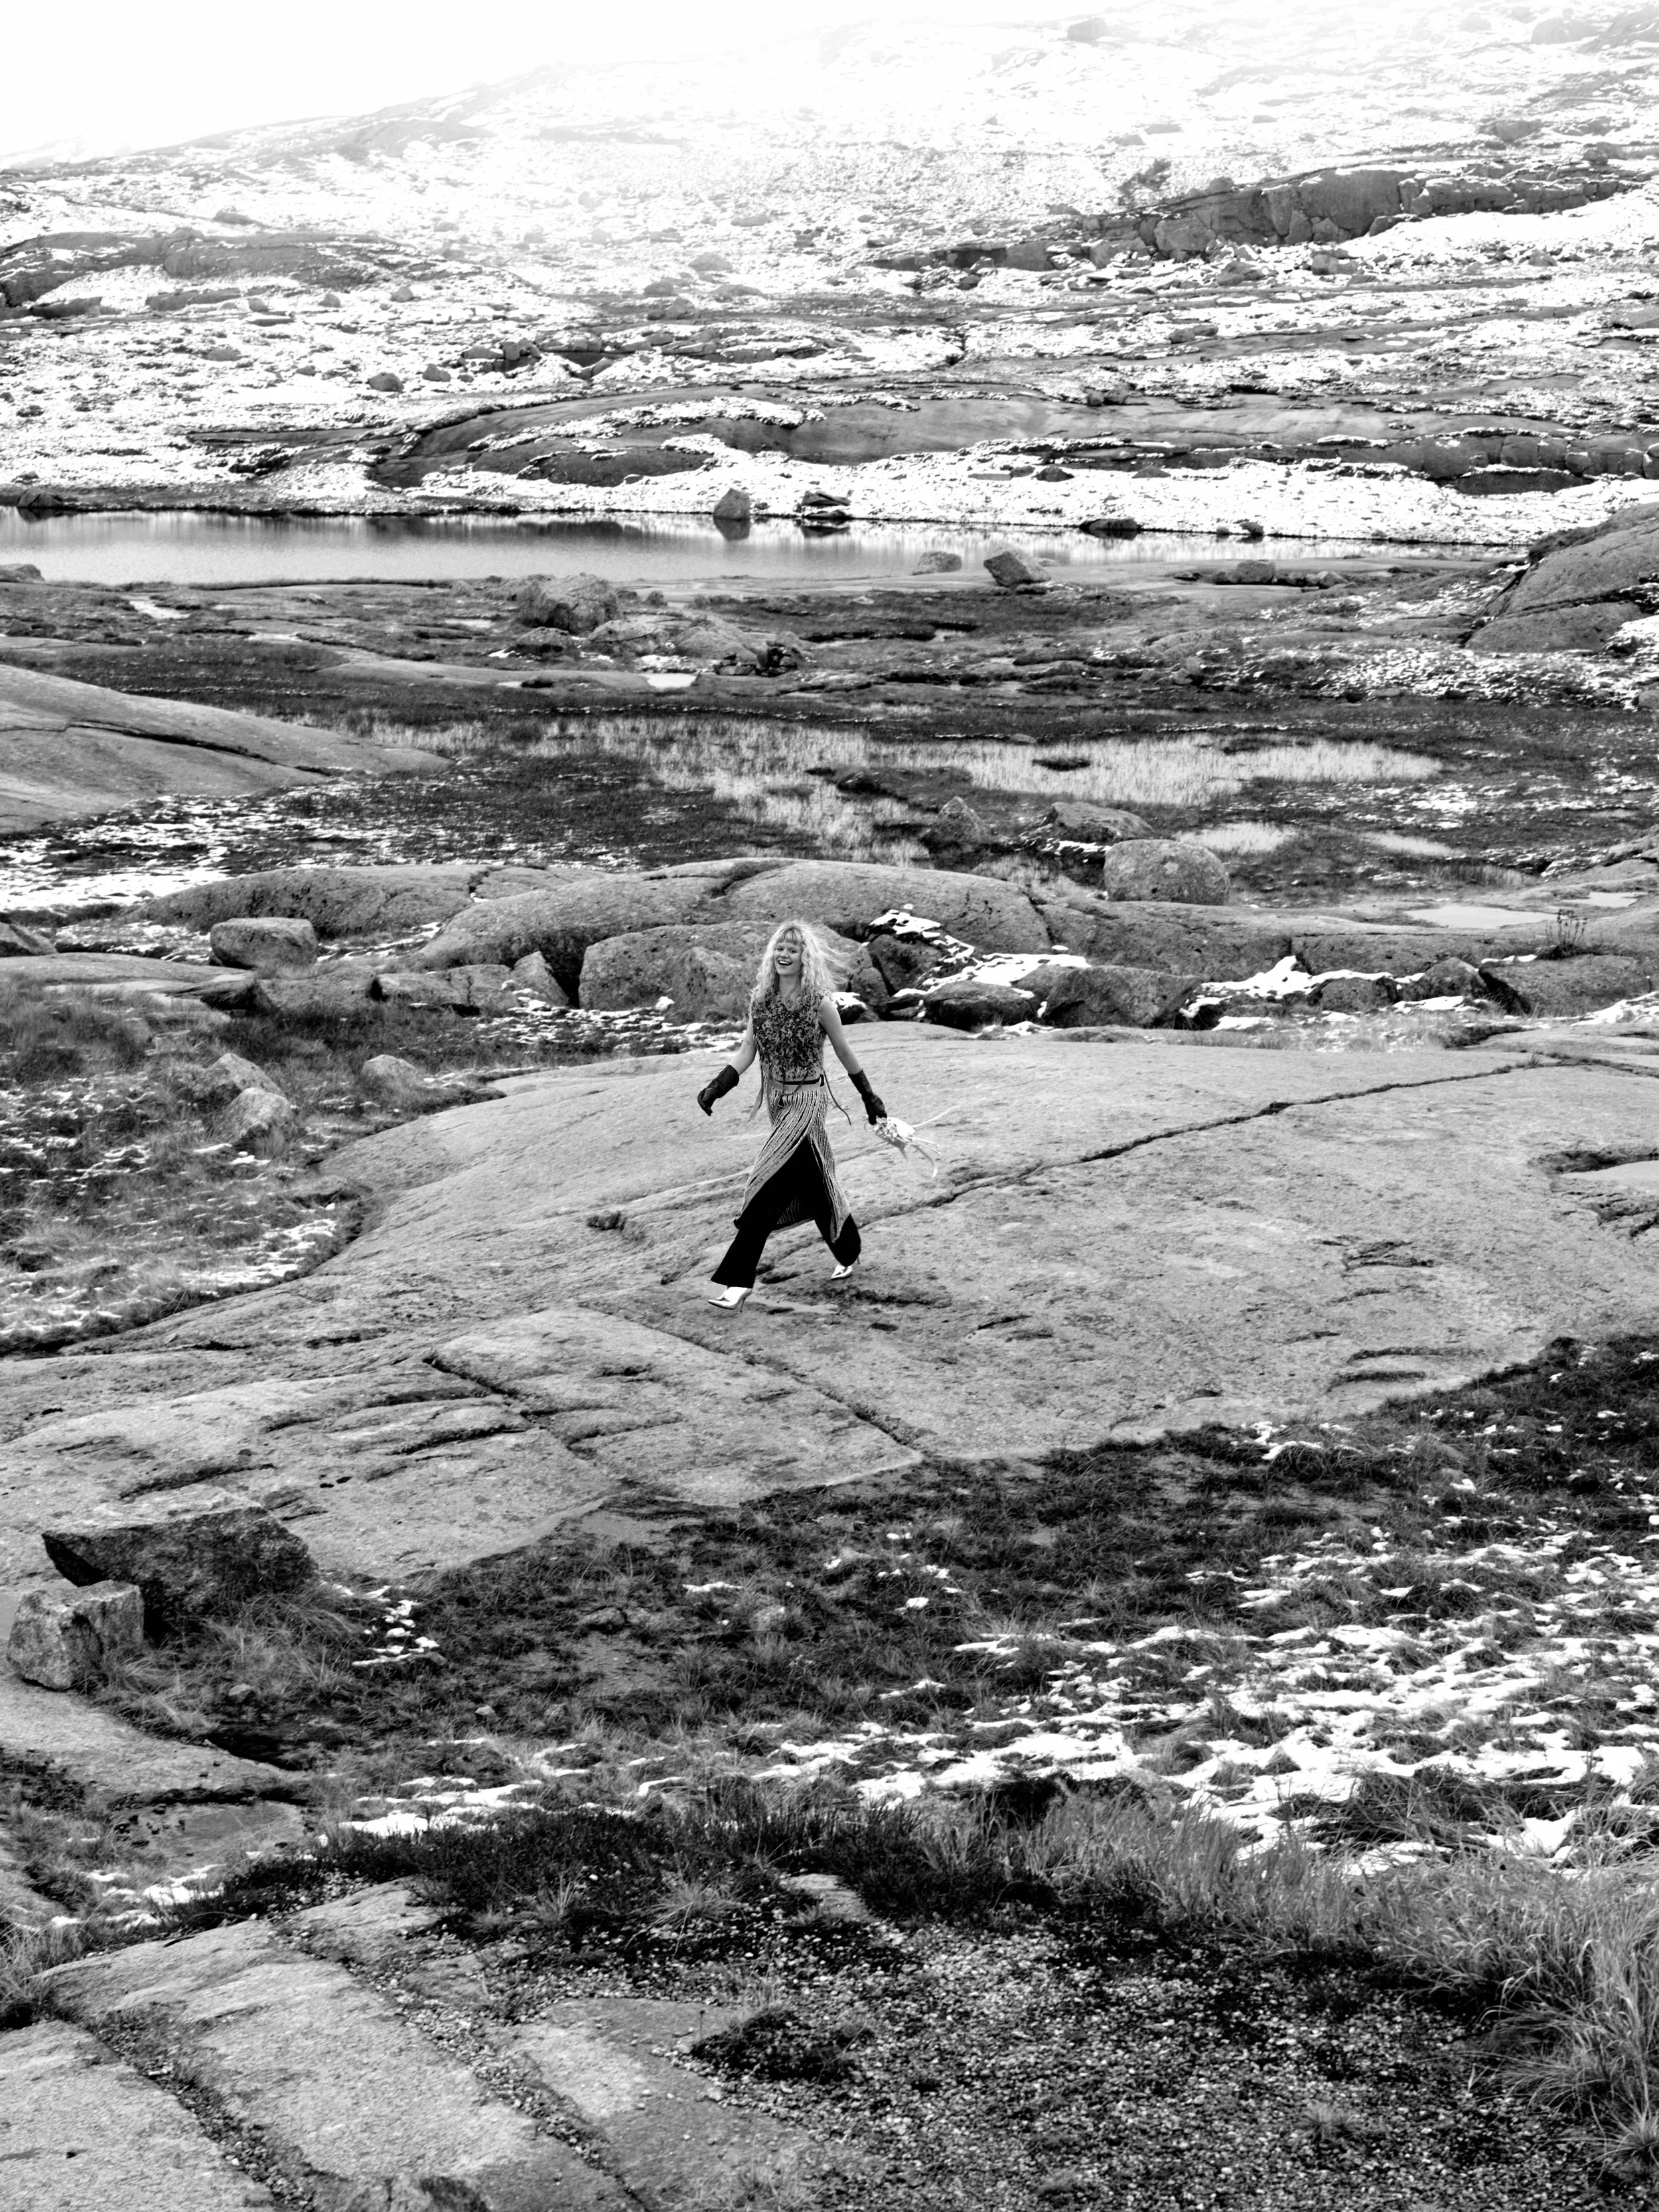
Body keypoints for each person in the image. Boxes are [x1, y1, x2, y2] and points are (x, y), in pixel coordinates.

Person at [695, 919, 887, 1310]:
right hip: (778, 1104)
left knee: (764, 1187)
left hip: (808, 1103)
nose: (784, 955)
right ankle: (848, 1251)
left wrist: (870, 1099)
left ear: (805, 957)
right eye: (779, 948)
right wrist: (719, 1085)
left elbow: (844, 1051)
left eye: (793, 949)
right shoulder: (762, 1000)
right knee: (816, 1187)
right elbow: (749, 1048)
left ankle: (738, 1282)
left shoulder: (819, 1002)